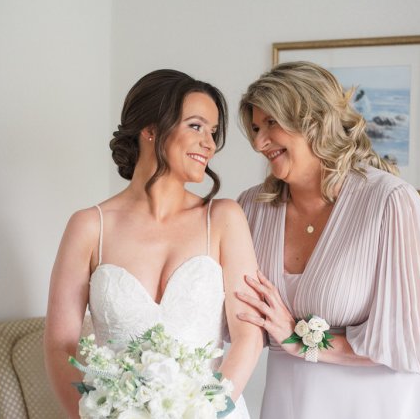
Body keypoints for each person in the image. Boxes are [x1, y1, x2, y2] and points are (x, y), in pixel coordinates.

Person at [236, 61, 420, 419]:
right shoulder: (251, 208)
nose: (260, 142)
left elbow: (417, 343)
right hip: (293, 399)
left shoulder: (389, 201)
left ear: (313, 120)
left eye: (272, 124)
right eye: (256, 128)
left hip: (386, 401)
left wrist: (298, 341)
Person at [44, 69, 263, 419]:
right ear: (150, 130)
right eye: (196, 126)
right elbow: (60, 347)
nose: (209, 143)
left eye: (213, 131)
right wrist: (95, 415)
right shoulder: (88, 227)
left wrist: (206, 411)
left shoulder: (223, 219)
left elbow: (248, 338)